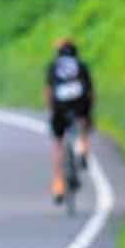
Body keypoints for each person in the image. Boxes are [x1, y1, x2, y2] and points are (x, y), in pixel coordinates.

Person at [45, 37, 94, 203]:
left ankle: (58, 185)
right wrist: (89, 111)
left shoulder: (53, 67)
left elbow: (49, 91)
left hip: (60, 105)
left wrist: (52, 110)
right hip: (79, 102)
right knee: (83, 121)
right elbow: (91, 92)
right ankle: (82, 148)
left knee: (58, 143)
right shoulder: (81, 65)